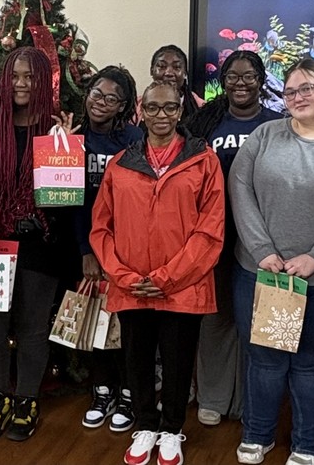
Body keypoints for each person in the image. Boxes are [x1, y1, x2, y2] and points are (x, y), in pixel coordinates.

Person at [228, 58, 314, 465]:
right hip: (260, 273)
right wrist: (261, 250)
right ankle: (258, 434)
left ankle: (306, 444)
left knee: (313, 364)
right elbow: (240, 189)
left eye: (306, 88)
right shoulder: (265, 135)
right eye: (289, 91)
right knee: (264, 358)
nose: (297, 97)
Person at [91, 80, 225, 465]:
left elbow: (210, 229)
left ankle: (171, 429)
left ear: (181, 111)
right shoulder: (121, 163)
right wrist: (124, 276)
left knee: (179, 360)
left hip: (182, 287)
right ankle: (145, 425)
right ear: (140, 111)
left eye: (169, 108)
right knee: (136, 359)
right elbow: (102, 228)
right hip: (132, 285)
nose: (161, 116)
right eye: (153, 108)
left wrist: (166, 278)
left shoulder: (204, 160)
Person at [0, 46, 75, 443]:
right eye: (16, 77)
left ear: (43, 81)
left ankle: (26, 400)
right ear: (5, 80)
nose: (22, 84)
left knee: (32, 329)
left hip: (39, 245)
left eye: (31, 77)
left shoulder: (57, 128)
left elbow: (66, 201)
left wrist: (67, 150)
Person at [185, 50, 282, 428]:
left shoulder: (277, 125)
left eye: (248, 76)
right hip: (214, 236)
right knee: (217, 318)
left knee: (254, 324)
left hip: (262, 238)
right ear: (222, 82)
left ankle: (247, 401)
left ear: (261, 80)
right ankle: (212, 396)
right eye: (232, 77)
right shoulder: (207, 123)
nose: (240, 83)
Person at [74, 66, 143, 433]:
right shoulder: (72, 137)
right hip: (87, 246)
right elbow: (70, 203)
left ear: (123, 106)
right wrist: (87, 249)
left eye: (112, 98)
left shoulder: (133, 140)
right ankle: (102, 391)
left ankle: (131, 393)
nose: (101, 102)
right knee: (97, 320)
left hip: (127, 248)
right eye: (96, 94)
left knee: (129, 324)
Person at [140, 45, 203, 123]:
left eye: (176, 67)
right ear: (151, 71)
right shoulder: (135, 107)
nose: (169, 73)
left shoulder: (201, 107)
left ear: (185, 73)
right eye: (162, 66)